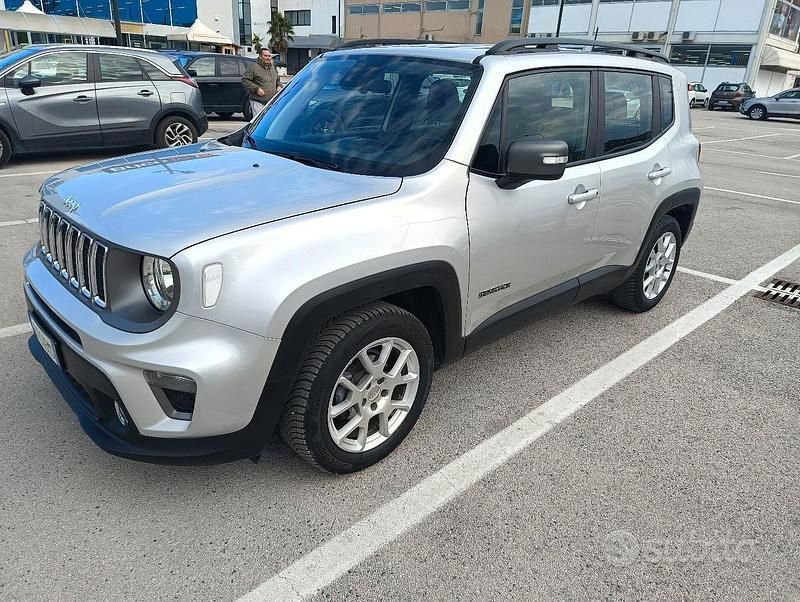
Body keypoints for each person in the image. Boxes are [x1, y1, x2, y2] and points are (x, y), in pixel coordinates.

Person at [242, 47, 281, 119]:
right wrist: (256, 89)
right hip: (258, 102)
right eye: (265, 56)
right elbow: (245, 80)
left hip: (270, 102)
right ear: (260, 56)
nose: (268, 58)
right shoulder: (253, 67)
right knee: (258, 121)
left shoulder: (272, 68)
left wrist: (279, 86)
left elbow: (277, 80)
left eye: (269, 56)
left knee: (268, 122)